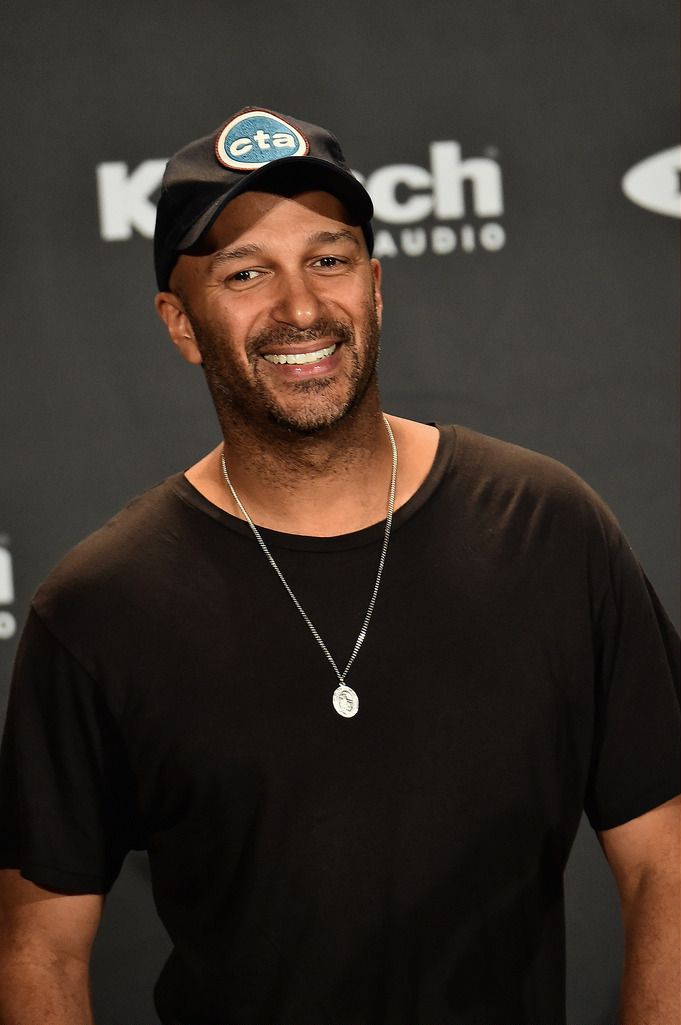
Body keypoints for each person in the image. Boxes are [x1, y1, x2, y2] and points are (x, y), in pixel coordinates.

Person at [0, 106, 678, 1025]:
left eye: (329, 259)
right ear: (180, 323)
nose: (301, 308)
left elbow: (665, 863)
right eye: (246, 273)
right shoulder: (98, 608)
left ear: (376, 284)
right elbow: (39, 946)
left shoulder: (548, 529)